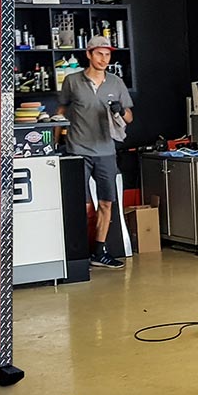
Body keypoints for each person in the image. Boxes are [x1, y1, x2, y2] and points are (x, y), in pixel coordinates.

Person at [58, 35, 134, 269]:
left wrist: (121, 111)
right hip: (77, 149)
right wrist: (54, 140)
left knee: (106, 203)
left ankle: (100, 252)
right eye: (99, 54)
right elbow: (61, 111)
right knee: (81, 205)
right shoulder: (72, 81)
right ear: (89, 55)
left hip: (106, 151)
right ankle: (76, 253)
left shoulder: (116, 83)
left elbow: (129, 118)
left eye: (108, 54)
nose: (104, 58)